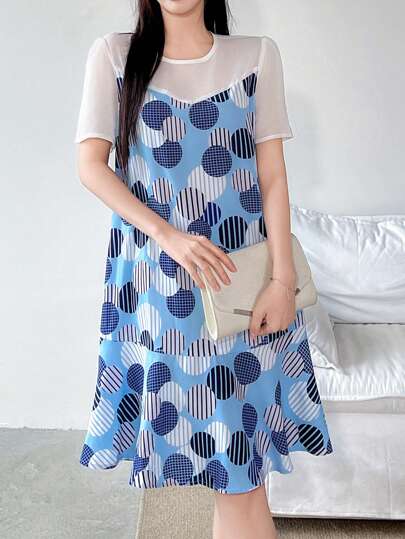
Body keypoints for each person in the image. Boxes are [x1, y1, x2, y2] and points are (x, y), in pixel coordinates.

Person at [74, 1, 334, 537]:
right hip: (159, 294)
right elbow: (91, 166)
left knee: (241, 471)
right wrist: (169, 237)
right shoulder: (113, 56)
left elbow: (273, 177)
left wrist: (283, 281)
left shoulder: (257, 56)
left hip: (240, 293)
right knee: (236, 475)